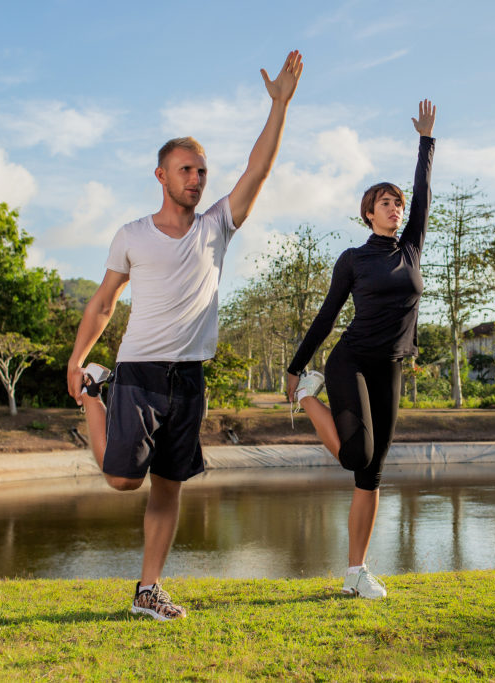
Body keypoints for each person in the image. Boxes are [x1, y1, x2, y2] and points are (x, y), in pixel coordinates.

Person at [66, 51, 303, 621]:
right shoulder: (131, 235)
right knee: (123, 479)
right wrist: (79, 361)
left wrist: (279, 107)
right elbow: (103, 302)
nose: (196, 179)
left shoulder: (217, 225)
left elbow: (258, 170)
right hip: (140, 373)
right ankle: (93, 399)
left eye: (201, 171)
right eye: (186, 170)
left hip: (189, 378)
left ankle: (148, 590)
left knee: (169, 485)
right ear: (161, 176)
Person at [286, 99, 436, 599]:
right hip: (349, 360)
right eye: (386, 202)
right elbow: (327, 317)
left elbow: (425, 199)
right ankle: (310, 396)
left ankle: (355, 572)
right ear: (369, 213)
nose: (396, 207)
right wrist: (296, 369)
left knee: (371, 474)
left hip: (390, 365)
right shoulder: (352, 259)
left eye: (398, 201)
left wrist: (425, 141)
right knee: (357, 456)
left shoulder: (411, 247)